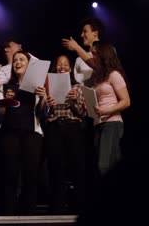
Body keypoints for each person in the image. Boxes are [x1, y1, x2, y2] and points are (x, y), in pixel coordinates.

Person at [0, 50, 47, 215]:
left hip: (31, 134)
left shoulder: (36, 86)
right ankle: (8, 215)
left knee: (30, 177)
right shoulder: (5, 85)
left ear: (28, 64)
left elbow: (41, 113)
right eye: (15, 59)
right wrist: (6, 102)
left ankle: (29, 215)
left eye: (22, 59)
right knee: (10, 176)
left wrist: (44, 97)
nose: (18, 62)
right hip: (9, 133)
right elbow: (0, 115)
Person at [43, 54, 88, 215]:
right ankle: (57, 208)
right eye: (59, 64)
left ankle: (78, 207)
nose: (62, 67)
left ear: (70, 69)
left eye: (66, 65)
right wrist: (48, 105)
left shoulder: (77, 87)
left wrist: (74, 101)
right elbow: (43, 114)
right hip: (54, 128)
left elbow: (83, 113)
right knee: (56, 169)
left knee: (77, 169)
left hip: (73, 128)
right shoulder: (47, 86)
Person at [89, 40, 130, 179]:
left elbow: (126, 101)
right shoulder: (99, 78)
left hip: (112, 122)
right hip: (99, 123)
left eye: (94, 53)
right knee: (113, 163)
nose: (92, 56)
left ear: (103, 54)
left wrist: (106, 111)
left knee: (104, 165)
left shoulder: (114, 75)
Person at [62, 17, 105, 87]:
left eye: (85, 31)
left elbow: (98, 66)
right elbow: (78, 85)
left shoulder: (107, 51)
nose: (81, 35)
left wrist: (77, 47)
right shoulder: (79, 60)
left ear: (95, 33)